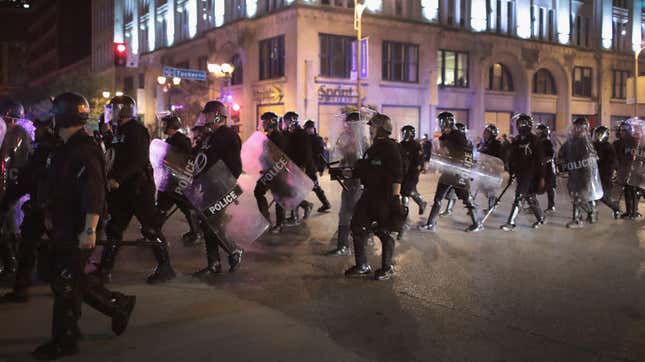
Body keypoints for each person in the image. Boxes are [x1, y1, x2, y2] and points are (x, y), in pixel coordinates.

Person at [32, 92, 135, 360]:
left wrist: (89, 230)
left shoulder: (84, 149)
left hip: (80, 227)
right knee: (69, 279)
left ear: (62, 117)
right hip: (65, 225)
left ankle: (65, 340)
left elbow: (94, 192)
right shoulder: (64, 147)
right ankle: (117, 305)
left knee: (66, 283)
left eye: (54, 117)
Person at [94, 95, 175, 284]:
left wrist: (118, 179)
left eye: (114, 108)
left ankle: (165, 267)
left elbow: (138, 160)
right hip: (121, 189)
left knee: (150, 228)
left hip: (139, 188)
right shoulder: (117, 130)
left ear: (123, 110)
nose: (111, 112)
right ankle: (105, 269)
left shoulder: (136, 130)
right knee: (114, 228)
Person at [0, 119, 59, 303]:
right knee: (29, 246)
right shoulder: (48, 150)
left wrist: (9, 200)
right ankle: (22, 288)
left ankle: (65, 285)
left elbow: (29, 179)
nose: (36, 131)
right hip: (43, 206)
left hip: (51, 207)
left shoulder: (54, 151)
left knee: (57, 249)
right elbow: (28, 179)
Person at [344, 113, 404, 281]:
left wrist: (395, 199)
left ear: (380, 129)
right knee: (357, 227)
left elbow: (397, 175)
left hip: (385, 197)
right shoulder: (372, 148)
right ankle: (362, 265)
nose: (370, 129)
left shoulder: (391, 148)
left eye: (372, 127)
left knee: (384, 231)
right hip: (369, 195)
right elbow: (365, 169)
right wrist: (351, 172)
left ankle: (387, 267)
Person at [192, 100, 244, 278]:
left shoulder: (228, 135)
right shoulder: (209, 136)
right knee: (208, 225)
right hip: (207, 186)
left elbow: (235, 166)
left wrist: (225, 184)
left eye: (207, 114)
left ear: (216, 115)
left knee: (212, 223)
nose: (205, 118)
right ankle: (214, 263)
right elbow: (199, 157)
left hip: (220, 187)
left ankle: (233, 251)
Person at [420, 112, 483, 233]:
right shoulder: (444, 136)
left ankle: (477, 223)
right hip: (448, 171)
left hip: (458, 172)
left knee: (466, 198)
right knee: (438, 199)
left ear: (447, 122)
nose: (439, 124)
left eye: (441, 122)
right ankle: (430, 224)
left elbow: (467, 154)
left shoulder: (458, 136)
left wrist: (465, 171)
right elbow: (441, 151)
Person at [155, 115, 203, 247]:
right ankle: (153, 232)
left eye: (165, 124)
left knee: (182, 207)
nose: (163, 126)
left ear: (172, 125)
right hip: (171, 180)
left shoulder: (181, 140)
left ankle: (153, 233)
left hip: (178, 181)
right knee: (167, 207)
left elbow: (185, 159)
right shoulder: (171, 139)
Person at [0, 98, 33, 280]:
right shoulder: (11, 132)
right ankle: (11, 262)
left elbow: (14, 162)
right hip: (11, 186)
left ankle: (12, 263)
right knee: (7, 225)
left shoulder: (17, 134)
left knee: (10, 225)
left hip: (12, 187)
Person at [327, 111, 367, 256]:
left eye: (351, 124)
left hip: (357, 181)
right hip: (348, 179)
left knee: (348, 212)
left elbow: (364, 161)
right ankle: (345, 242)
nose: (347, 126)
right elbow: (340, 154)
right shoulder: (346, 137)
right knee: (347, 211)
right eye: (347, 124)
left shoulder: (363, 141)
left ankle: (345, 245)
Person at [500, 114, 546, 231]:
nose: (519, 126)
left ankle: (511, 222)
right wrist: (511, 170)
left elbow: (541, 160)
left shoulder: (534, 140)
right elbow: (512, 156)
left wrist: (541, 177)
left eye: (522, 123)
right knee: (530, 197)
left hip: (531, 173)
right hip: (520, 173)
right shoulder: (517, 140)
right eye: (518, 123)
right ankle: (541, 218)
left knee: (519, 196)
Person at [557, 117, 603, 228]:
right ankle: (588, 213)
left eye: (579, 127)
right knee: (575, 196)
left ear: (584, 128)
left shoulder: (586, 142)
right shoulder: (572, 141)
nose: (576, 129)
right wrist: (562, 161)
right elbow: (563, 152)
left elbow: (589, 159)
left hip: (584, 174)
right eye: (575, 127)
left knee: (578, 197)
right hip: (575, 173)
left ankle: (581, 217)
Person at [255, 112, 289, 233]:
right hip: (268, 170)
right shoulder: (268, 137)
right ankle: (266, 220)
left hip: (277, 171)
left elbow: (281, 155)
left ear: (271, 122)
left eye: (265, 122)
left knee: (278, 196)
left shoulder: (279, 137)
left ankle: (280, 224)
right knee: (258, 191)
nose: (263, 124)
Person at [282, 111, 315, 220]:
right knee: (291, 191)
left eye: (286, 121)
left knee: (293, 190)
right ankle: (305, 207)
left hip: (299, 167)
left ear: (292, 120)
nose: (285, 123)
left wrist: (303, 166)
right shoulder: (289, 133)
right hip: (291, 166)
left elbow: (306, 152)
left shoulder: (301, 133)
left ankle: (295, 216)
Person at [614, 120, 642, 219]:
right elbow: (617, 156)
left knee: (633, 191)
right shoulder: (618, 143)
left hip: (634, 170)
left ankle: (633, 212)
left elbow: (638, 156)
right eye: (621, 130)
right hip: (624, 169)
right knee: (627, 190)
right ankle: (629, 211)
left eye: (624, 131)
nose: (622, 132)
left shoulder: (635, 142)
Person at [591, 126, 621, 219]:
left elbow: (612, 162)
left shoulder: (608, 146)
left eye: (598, 134)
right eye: (595, 134)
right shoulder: (593, 145)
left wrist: (610, 172)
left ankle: (616, 208)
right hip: (595, 175)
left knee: (603, 197)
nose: (596, 136)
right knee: (593, 195)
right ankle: (592, 214)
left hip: (604, 176)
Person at [304, 120, 331, 213]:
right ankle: (325, 203)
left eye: (310, 128)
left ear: (313, 128)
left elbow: (322, 155)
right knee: (314, 186)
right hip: (307, 166)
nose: (309, 130)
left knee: (314, 186)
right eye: (307, 128)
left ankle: (325, 203)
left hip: (312, 166)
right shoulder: (306, 138)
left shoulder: (317, 139)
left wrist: (321, 168)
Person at [478, 124, 504, 210]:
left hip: (494, 170)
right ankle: (495, 201)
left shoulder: (497, 144)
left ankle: (491, 207)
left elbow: (499, 157)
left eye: (487, 133)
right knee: (483, 187)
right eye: (485, 132)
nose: (485, 134)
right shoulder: (485, 143)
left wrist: (492, 164)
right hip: (486, 169)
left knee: (491, 188)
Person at [536, 124, 557, 212]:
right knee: (534, 185)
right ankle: (533, 205)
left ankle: (551, 206)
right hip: (540, 167)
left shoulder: (547, 142)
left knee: (550, 187)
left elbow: (551, 155)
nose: (537, 133)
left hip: (548, 168)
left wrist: (543, 160)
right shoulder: (538, 142)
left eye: (539, 132)